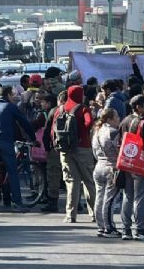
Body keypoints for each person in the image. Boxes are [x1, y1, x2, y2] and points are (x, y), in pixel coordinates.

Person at [50, 85, 96, 221]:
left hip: (65, 150)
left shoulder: (61, 109)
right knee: (88, 181)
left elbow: (53, 129)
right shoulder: (82, 109)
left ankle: (70, 215)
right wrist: (81, 133)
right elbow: (89, 122)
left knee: (71, 182)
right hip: (83, 148)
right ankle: (94, 213)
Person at [119, 95, 144, 240]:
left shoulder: (125, 121)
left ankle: (125, 229)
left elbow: (119, 141)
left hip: (126, 163)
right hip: (141, 165)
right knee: (140, 198)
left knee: (127, 196)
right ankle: (140, 229)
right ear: (139, 107)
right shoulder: (143, 123)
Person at [91, 107, 122, 238]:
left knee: (99, 197)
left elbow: (94, 152)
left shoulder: (97, 131)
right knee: (109, 199)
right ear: (110, 119)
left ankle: (101, 226)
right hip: (111, 167)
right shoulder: (113, 132)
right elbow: (119, 150)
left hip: (99, 166)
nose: (119, 119)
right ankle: (109, 227)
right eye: (116, 117)